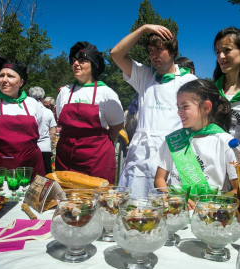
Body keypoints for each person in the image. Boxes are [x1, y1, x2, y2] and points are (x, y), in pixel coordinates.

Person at [111, 24, 197, 197]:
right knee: (135, 210)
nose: (154, 55)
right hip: (141, 157)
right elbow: (116, 54)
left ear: (173, 52)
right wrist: (143, 29)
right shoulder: (145, 76)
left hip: (174, 157)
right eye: (150, 50)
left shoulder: (189, 81)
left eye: (159, 49)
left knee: (170, 212)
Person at [155, 79, 238, 205]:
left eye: (185, 106)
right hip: (177, 212)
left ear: (206, 107)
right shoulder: (173, 140)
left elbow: (238, 188)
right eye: (178, 107)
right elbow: (160, 179)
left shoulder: (226, 142)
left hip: (211, 215)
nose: (179, 112)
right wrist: (175, 198)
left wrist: (213, 204)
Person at [55, 41, 124, 184]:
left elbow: (117, 124)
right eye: (74, 60)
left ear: (94, 65)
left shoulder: (106, 93)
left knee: (97, 201)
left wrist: (97, 144)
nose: (76, 64)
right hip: (66, 156)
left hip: (96, 158)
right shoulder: (65, 92)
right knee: (66, 201)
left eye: (82, 60)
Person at [29, 86, 57, 175]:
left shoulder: (26, 110)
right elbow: (52, 132)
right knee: (46, 175)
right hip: (44, 147)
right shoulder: (48, 112)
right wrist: (52, 148)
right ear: (42, 98)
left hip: (29, 147)